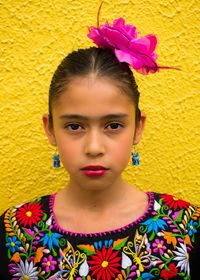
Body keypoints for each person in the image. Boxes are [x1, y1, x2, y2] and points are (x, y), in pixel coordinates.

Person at [0, 8, 199, 280]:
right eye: (74, 126)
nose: (94, 147)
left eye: (113, 125)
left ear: (138, 127)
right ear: (51, 130)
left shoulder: (185, 227)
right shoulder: (16, 232)